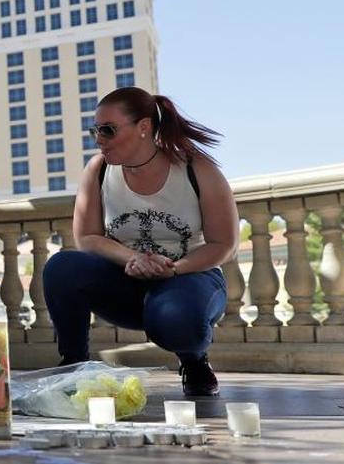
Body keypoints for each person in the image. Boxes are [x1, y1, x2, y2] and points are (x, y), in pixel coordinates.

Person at [43, 87, 238, 397]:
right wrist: (132, 258)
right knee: (61, 267)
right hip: (127, 282)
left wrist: (174, 269)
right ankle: (73, 365)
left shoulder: (195, 168)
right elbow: (87, 237)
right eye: (95, 130)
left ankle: (194, 359)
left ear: (144, 127)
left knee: (176, 318)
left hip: (189, 279)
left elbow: (223, 244)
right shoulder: (99, 169)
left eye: (107, 130)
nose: (98, 138)